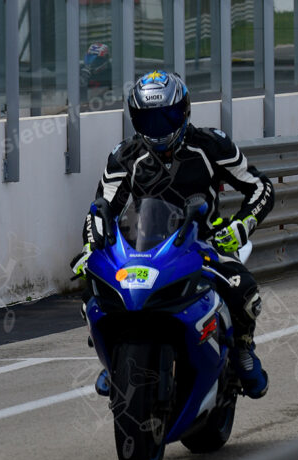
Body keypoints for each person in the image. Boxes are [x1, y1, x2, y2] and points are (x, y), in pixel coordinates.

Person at [72, 70, 273, 399]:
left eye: (167, 117)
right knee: (92, 295)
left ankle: (242, 347)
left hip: (203, 242)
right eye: (149, 120)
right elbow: (101, 208)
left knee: (244, 290)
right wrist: (91, 247)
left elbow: (260, 187)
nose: (159, 127)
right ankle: (115, 360)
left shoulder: (211, 145)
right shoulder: (124, 155)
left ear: (184, 110)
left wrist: (241, 225)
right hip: (142, 249)